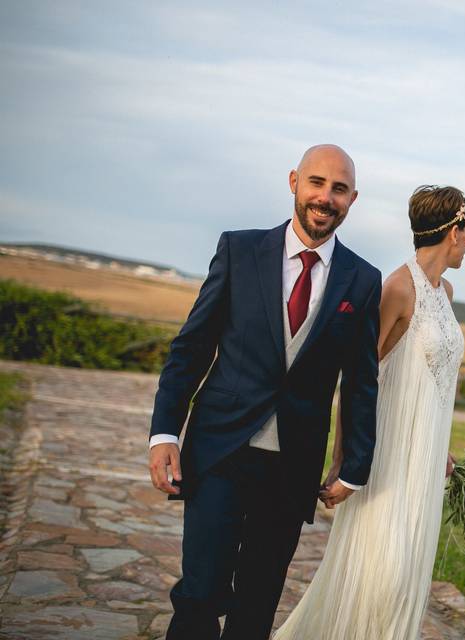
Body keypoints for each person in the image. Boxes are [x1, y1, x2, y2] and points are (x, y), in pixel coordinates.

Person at [147, 144, 381, 640]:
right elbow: (192, 348)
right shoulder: (239, 249)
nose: (325, 197)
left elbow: (361, 381)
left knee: (257, 603)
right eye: (317, 183)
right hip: (219, 452)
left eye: (338, 189)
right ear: (294, 181)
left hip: (291, 468)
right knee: (200, 594)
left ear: (352, 199)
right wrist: (165, 431)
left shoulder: (363, 280)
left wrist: (355, 466)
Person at [272, 185, 465, 640]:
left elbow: (440, 378)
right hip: (388, 452)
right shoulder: (398, 289)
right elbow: (358, 377)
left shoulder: (447, 291)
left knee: (407, 575)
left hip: (425, 455)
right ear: (453, 232)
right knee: (384, 571)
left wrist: (441, 447)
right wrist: (344, 458)